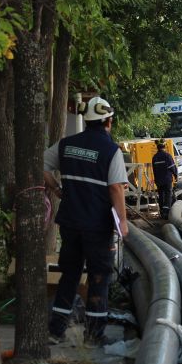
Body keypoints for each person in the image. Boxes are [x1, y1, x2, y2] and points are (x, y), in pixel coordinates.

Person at [43, 96, 129, 348]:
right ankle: (93, 336)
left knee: (69, 274)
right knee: (99, 276)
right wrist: (122, 221)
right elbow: (115, 188)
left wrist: (57, 189)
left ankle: (55, 331)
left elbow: (42, 165)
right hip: (97, 225)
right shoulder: (111, 151)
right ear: (108, 122)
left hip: (70, 222)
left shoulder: (66, 144)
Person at [152, 140, 178, 220]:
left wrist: (156, 180)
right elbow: (172, 167)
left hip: (159, 180)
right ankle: (166, 212)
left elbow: (154, 170)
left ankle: (162, 211)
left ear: (157, 148)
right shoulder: (167, 156)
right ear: (164, 147)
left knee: (161, 195)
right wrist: (176, 175)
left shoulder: (154, 157)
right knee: (168, 194)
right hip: (167, 179)